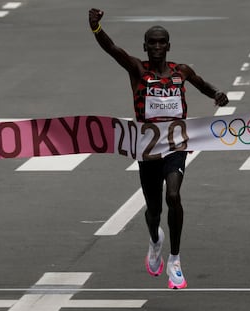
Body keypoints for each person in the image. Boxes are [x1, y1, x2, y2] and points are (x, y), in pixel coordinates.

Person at [89, 8, 229, 289]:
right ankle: (155, 240)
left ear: (168, 46)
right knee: (154, 210)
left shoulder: (181, 72)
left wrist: (217, 94)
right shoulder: (138, 70)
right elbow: (112, 49)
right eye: (151, 42)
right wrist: (96, 28)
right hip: (147, 149)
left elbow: (202, 85)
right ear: (145, 46)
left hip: (176, 145)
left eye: (160, 42)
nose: (156, 47)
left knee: (174, 196)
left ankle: (175, 260)